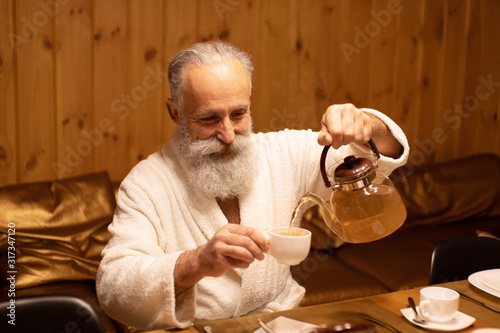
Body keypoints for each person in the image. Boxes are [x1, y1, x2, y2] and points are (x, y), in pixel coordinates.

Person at [96, 40, 409, 330]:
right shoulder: (147, 182)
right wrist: (196, 262)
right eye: (209, 119)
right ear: (175, 112)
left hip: (281, 324)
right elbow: (113, 287)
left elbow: (378, 155)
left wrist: (367, 125)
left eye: (238, 114)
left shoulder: (282, 153)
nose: (228, 134)